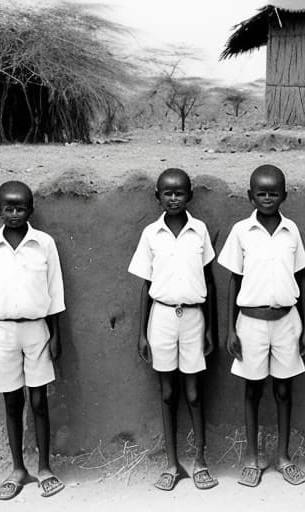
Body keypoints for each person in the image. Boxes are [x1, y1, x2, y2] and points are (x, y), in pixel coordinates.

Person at [218, 164, 305, 487]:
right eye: (261, 193)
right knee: (253, 389)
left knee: (284, 390)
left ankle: (284, 457)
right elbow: (234, 280)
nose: (268, 198)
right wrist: (230, 329)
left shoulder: (292, 231)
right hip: (251, 323)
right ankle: (252, 457)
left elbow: (302, 278)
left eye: (274, 193)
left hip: (287, 321)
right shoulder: (241, 232)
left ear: (284, 195)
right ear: (250, 195)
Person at [128, 168, 218, 491]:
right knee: (168, 392)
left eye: (180, 192)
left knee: (194, 393)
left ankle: (200, 461)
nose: (174, 198)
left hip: (193, 318)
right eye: (167, 193)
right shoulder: (151, 234)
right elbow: (145, 286)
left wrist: (210, 329)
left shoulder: (200, 231)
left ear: (189, 195)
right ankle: (171, 463)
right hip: (162, 318)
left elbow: (209, 281)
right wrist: (141, 333)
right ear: (157, 196)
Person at [0, 181, 65, 500]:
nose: (14, 213)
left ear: (30, 210)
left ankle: (45, 468)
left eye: (20, 208)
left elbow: (56, 292)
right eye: (7, 208)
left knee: (39, 401)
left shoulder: (44, 244)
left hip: (38, 330)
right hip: (3, 331)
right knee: (11, 401)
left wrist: (56, 335)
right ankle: (17, 469)